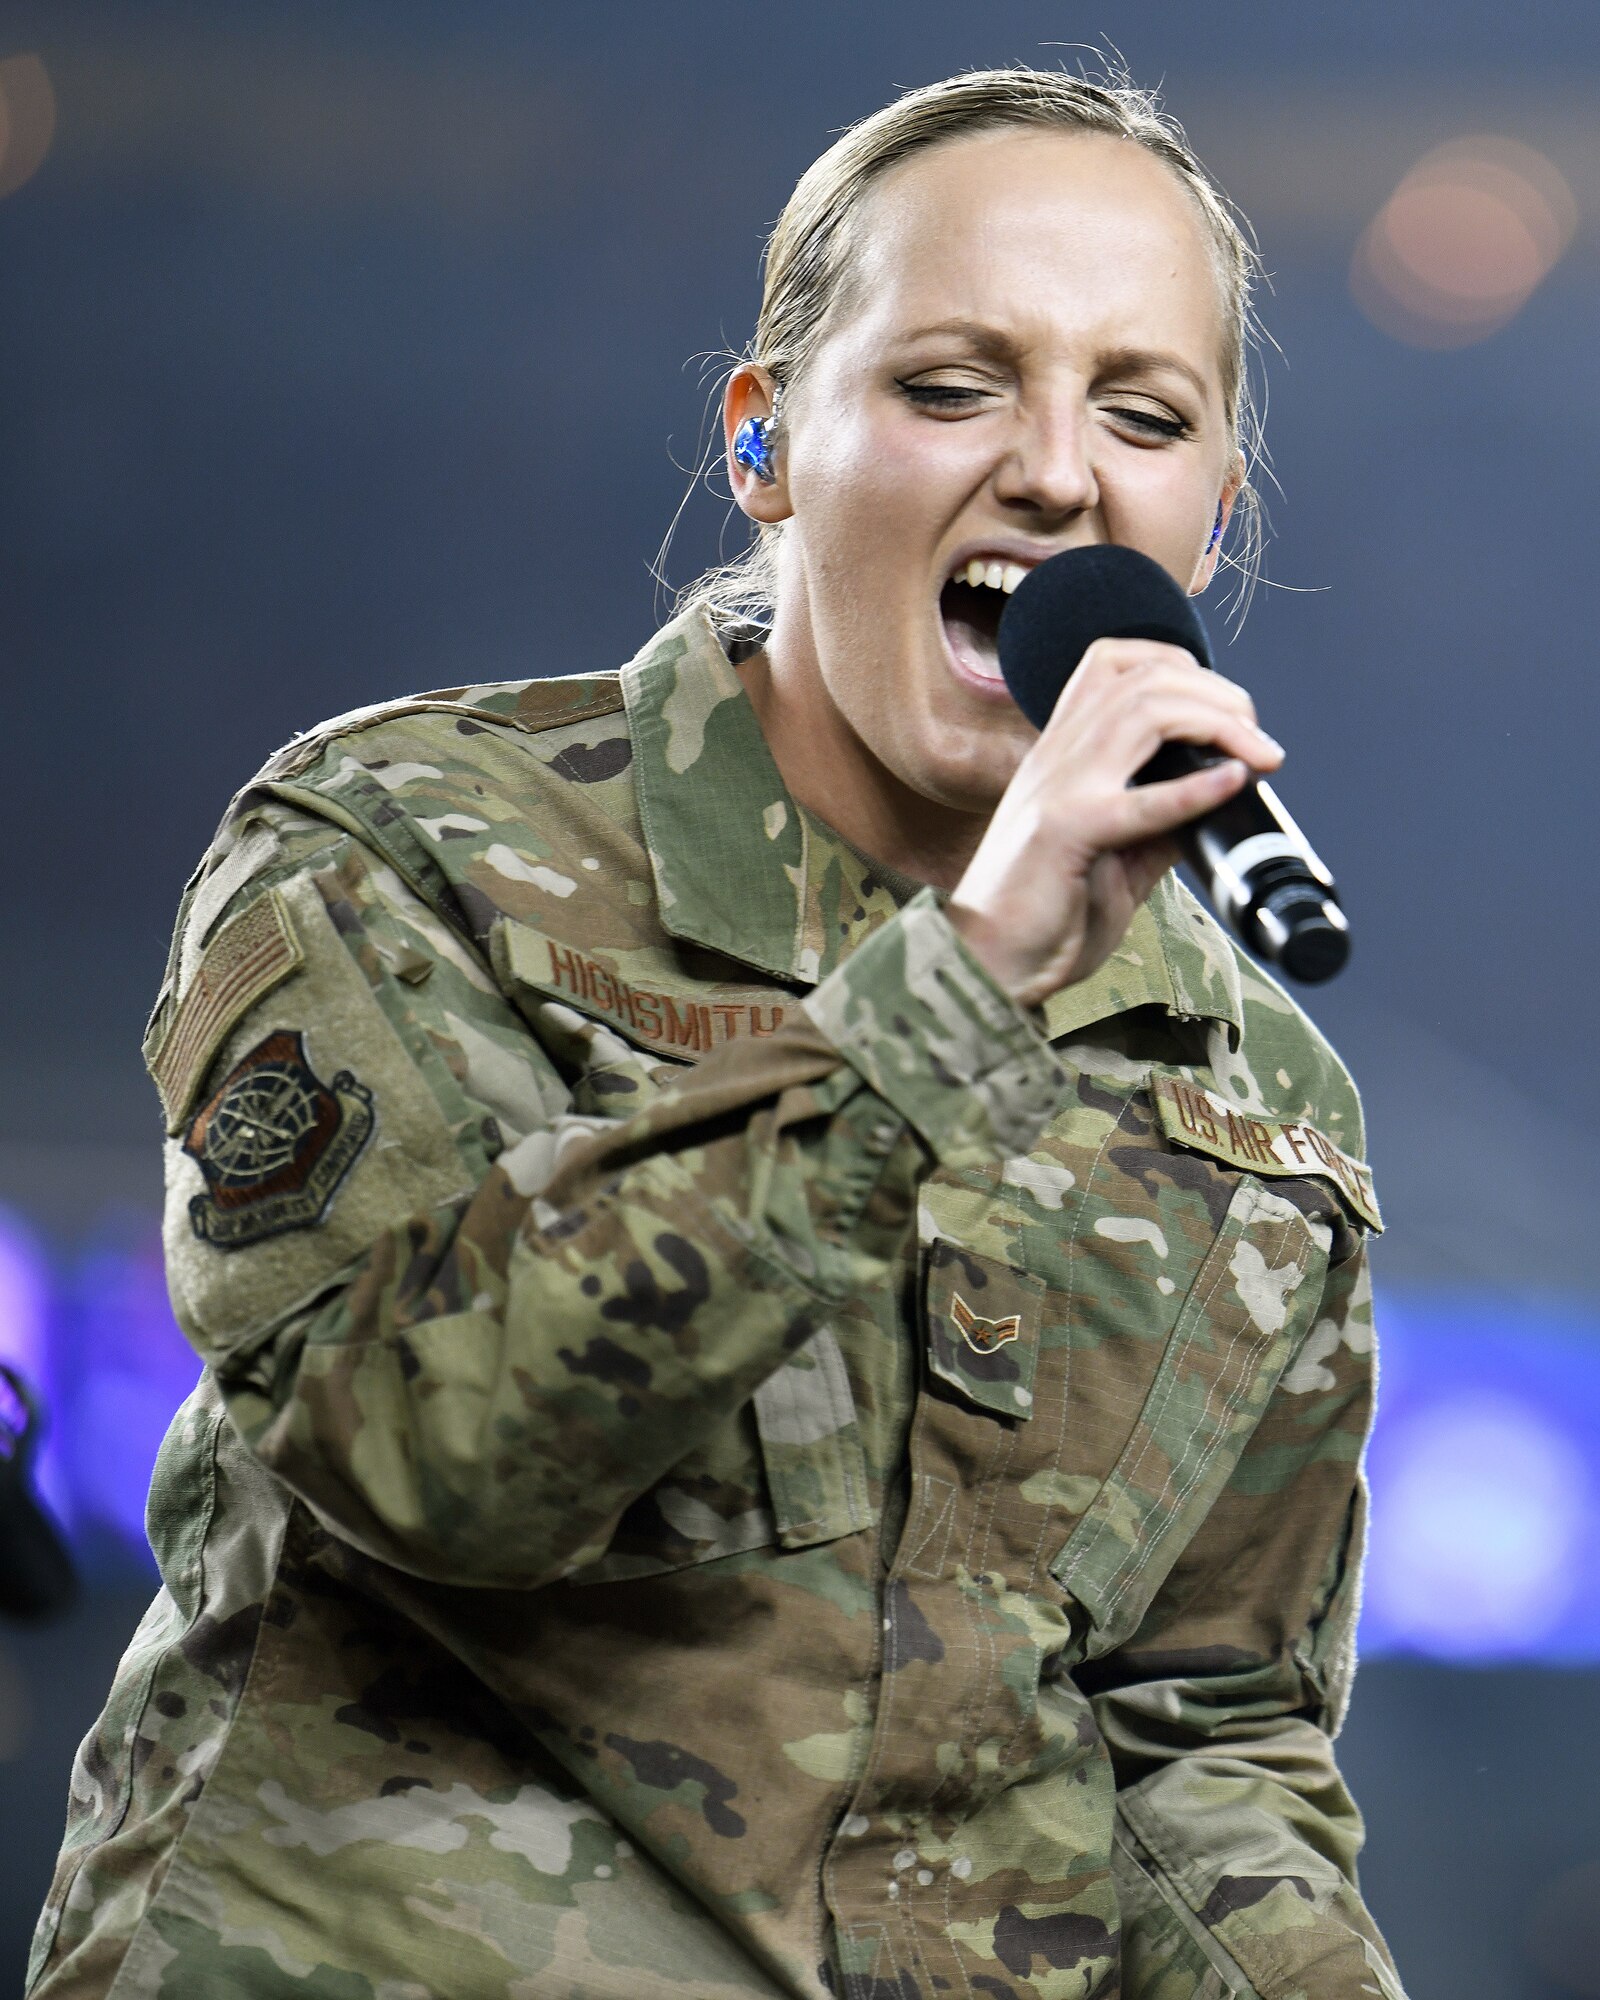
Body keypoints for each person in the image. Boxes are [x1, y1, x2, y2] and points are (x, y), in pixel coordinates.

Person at [29, 65, 1405, 2000]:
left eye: (1144, 414)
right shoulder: (408, 848)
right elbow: (424, 1446)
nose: (1056, 472)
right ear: (766, 441)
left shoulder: (1249, 1091)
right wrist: (959, 989)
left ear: (1208, 512)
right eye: (950, 385)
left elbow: (1206, 1750)